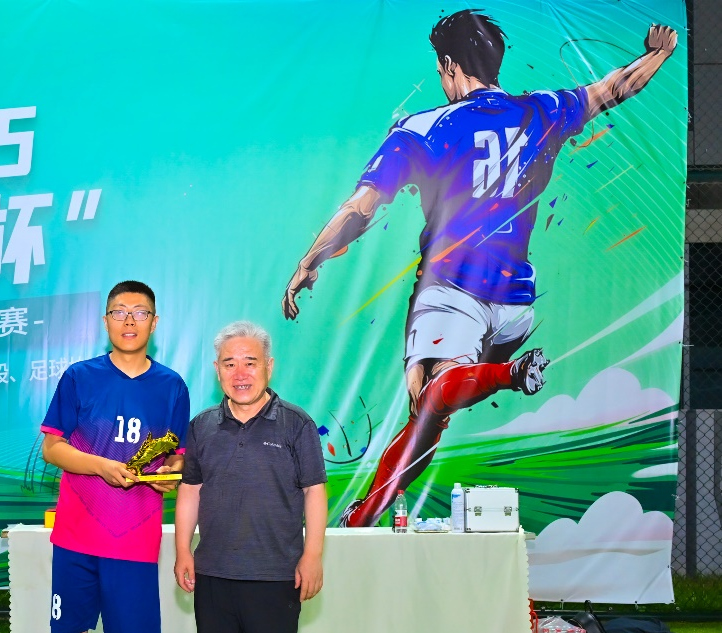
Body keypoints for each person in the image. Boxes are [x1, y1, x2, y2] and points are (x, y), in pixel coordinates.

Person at [280, 10, 678, 527]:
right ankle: (365, 517)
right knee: (429, 416)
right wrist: (658, 54)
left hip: (453, 292)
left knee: (427, 397)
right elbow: (613, 89)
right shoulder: (542, 110)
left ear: (449, 65)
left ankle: (510, 375)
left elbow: (361, 209)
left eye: (440, 69)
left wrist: (308, 261)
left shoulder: (422, 128)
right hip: (516, 306)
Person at [19, 280, 191, 633]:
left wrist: (168, 476)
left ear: (155, 322)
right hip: (76, 536)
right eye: (119, 311)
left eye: (140, 312)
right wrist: (101, 466)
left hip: (135, 540)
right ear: (105, 321)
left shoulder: (171, 386)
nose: (130, 320)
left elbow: (177, 459)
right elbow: (52, 449)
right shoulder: (79, 377)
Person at [172, 320, 327, 633]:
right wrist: (182, 550)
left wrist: (313, 554)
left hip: (276, 577)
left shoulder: (297, 425)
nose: (241, 373)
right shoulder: (202, 427)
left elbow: (315, 492)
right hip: (214, 575)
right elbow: (190, 491)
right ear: (217, 371)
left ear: (269, 367)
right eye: (230, 363)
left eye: (250, 362)